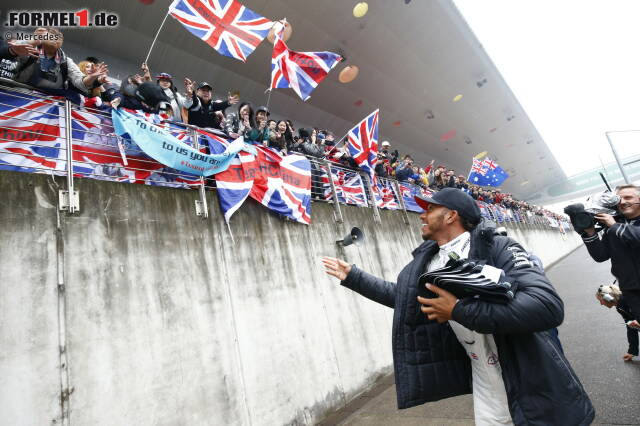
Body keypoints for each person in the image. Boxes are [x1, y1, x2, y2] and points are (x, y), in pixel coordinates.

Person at [322, 188, 594, 425]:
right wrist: (355, 277)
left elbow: (546, 307)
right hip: (485, 383)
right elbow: (406, 299)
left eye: (429, 208)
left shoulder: (497, 247)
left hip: (530, 376)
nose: (421, 214)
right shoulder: (427, 262)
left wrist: (458, 311)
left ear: (451, 215)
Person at [1, 27, 106, 103]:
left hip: (48, 105)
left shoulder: (66, 62)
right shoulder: (31, 50)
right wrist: (33, 40)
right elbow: (14, 51)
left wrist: (91, 77)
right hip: (18, 97)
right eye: (51, 34)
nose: (54, 37)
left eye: (57, 36)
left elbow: (80, 81)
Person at [582, 185, 640, 318]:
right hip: (630, 289)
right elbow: (601, 255)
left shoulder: (614, 225)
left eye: (628, 197)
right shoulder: (614, 225)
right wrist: (590, 232)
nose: (623, 202)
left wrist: (614, 226)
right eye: (619, 199)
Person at [595, 283, 640, 361]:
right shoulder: (620, 307)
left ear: (608, 298)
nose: (601, 304)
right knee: (632, 325)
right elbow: (631, 329)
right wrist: (632, 351)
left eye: (601, 301)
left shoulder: (628, 300)